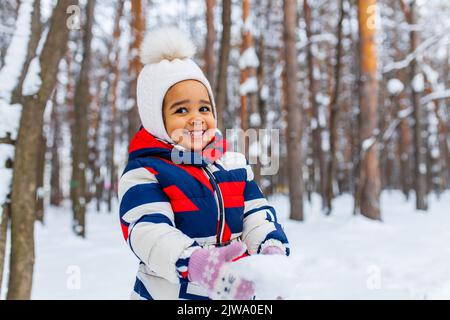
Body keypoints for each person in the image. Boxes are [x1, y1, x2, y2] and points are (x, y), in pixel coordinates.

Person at [118, 27, 289, 300]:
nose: (196, 118)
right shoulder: (146, 171)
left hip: (233, 291)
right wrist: (193, 261)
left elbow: (255, 212)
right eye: (181, 110)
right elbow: (147, 230)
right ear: (155, 119)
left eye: (204, 108)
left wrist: (268, 246)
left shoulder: (233, 165)